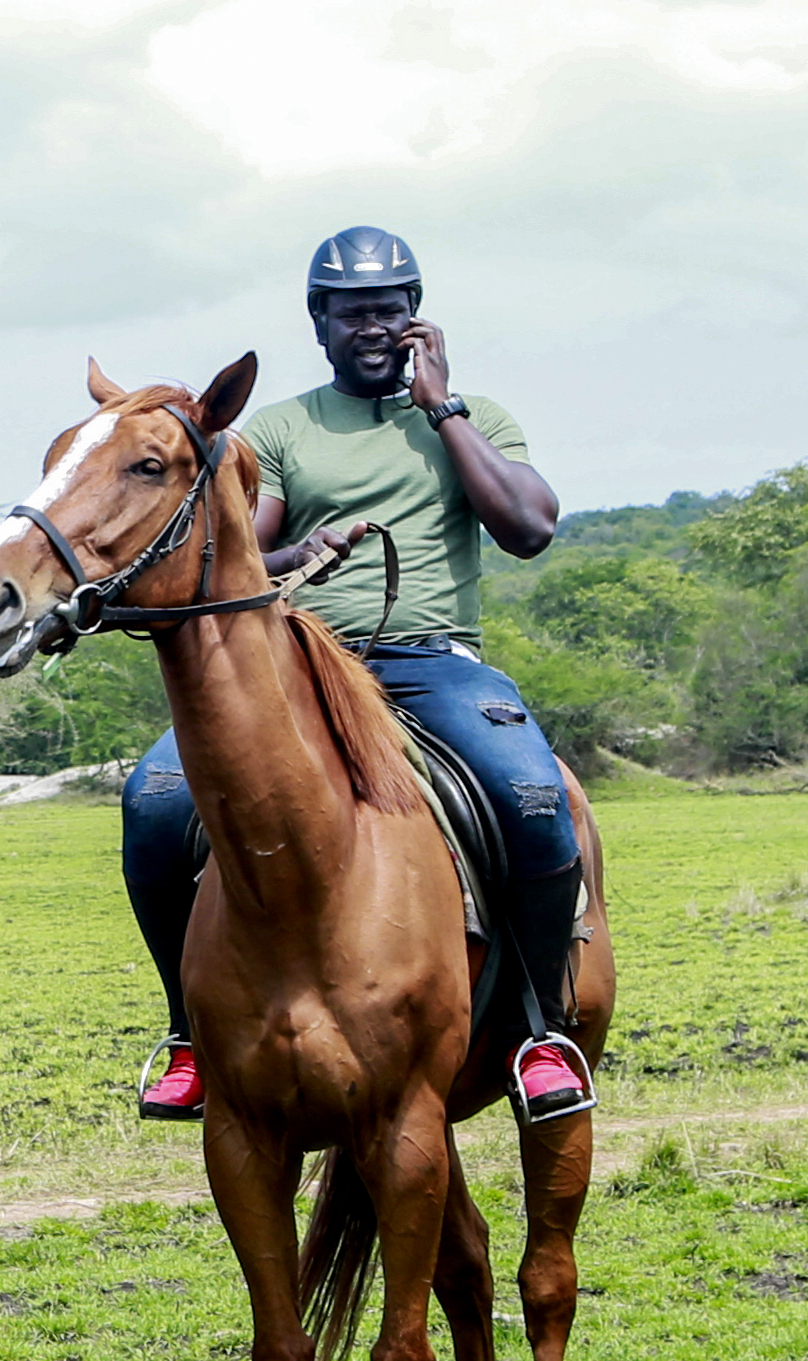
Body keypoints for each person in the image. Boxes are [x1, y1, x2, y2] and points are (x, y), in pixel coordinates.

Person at [117, 225, 597, 1131]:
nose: (371, 327)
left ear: (416, 318)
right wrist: (302, 549)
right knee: (152, 799)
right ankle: (188, 1036)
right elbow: (237, 551)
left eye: (388, 309)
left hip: (432, 666)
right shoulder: (282, 428)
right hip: (295, 671)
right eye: (351, 313)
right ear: (319, 322)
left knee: (533, 795)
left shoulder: (476, 418)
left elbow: (528, 526)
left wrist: (442, 408)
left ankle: (538, 1029)